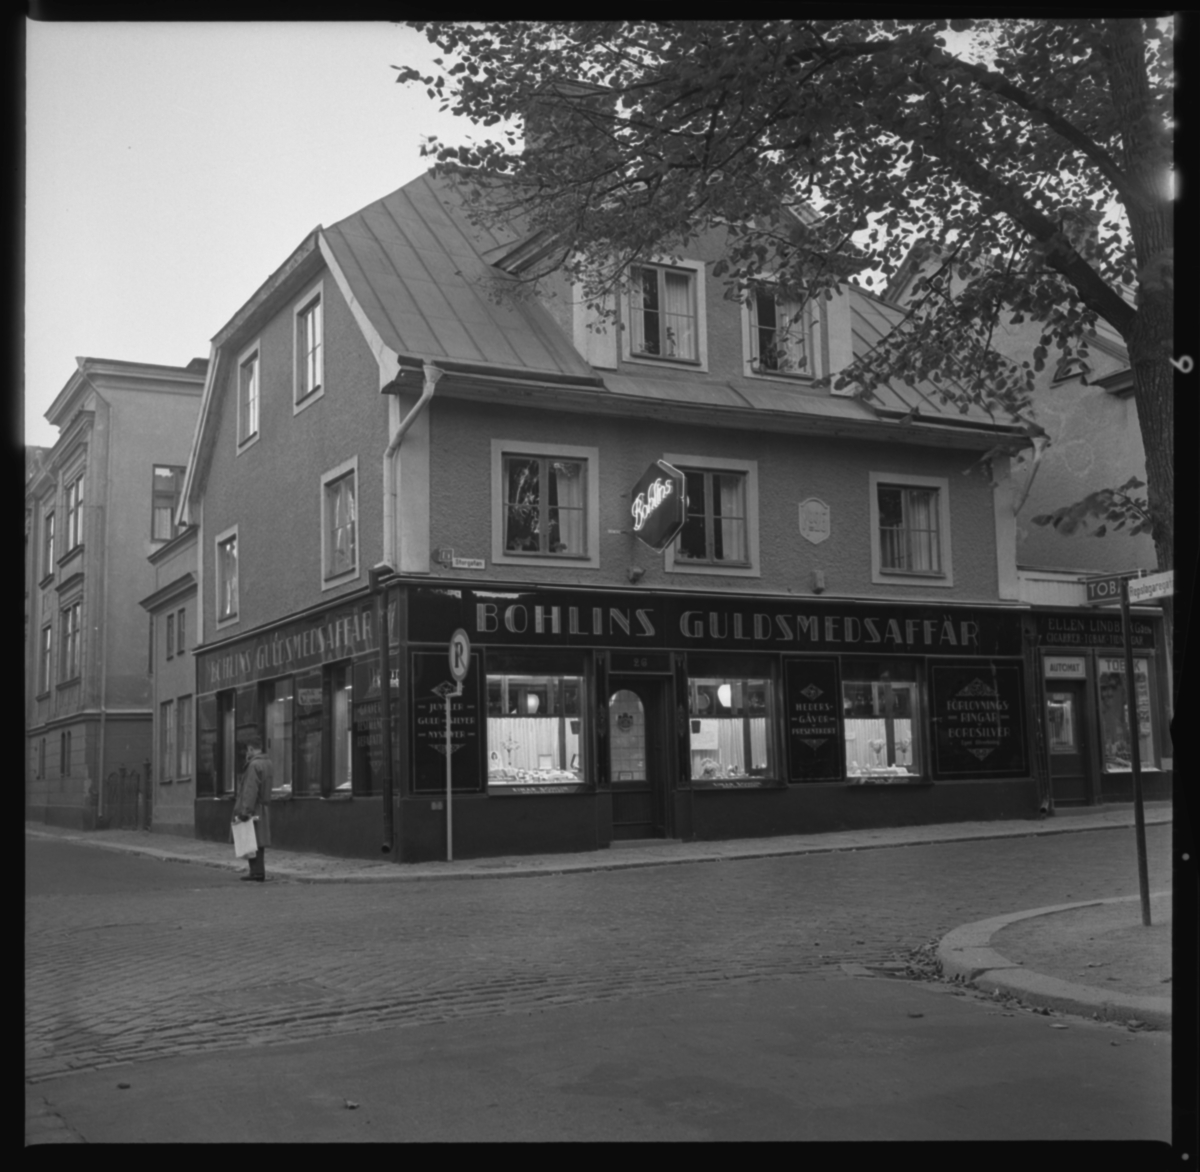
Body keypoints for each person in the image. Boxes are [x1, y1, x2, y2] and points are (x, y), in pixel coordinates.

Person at [233, 730, 273, 881]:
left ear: (251, 749)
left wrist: (245, 810)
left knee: (251, 839)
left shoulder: (253, 765)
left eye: (247, 750)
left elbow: (250, 789)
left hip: (254, 806)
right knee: (259, 840)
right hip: (263, 806)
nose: (246, 753)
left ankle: (256, 872)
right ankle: (258, 871)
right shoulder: (267, 762)